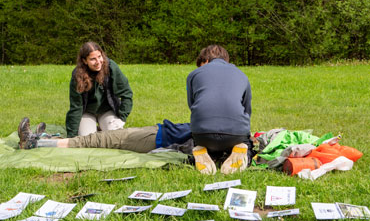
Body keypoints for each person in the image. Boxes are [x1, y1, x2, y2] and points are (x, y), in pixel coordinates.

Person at [186, 45, 253, 175]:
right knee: (246, 144)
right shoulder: (242, 75)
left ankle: (203, 152)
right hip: (236, 134)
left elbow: (192, 105)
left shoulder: (193, 75)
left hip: (202, 134)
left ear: (205, 60)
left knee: (202, 142)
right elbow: (247, 109)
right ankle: (243, 152)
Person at [66, 42, 133, 138]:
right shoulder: (77, 75)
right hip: (87, 112)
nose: (98, 62)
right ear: (85, 61)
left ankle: (102, 128)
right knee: (87, 140)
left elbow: (126, 93)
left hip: (107, 110)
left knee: (116, 137)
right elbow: (76, 106)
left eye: (99, 56)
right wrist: (71, 136)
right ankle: (96, 129)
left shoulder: (111, 67)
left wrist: (122, 117)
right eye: (93, 59)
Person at [18, 117, 192, 153]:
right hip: (157, 130)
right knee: (93, 138)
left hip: (156, 139)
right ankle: (45, 138)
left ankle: (35, 143)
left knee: (94, 140)